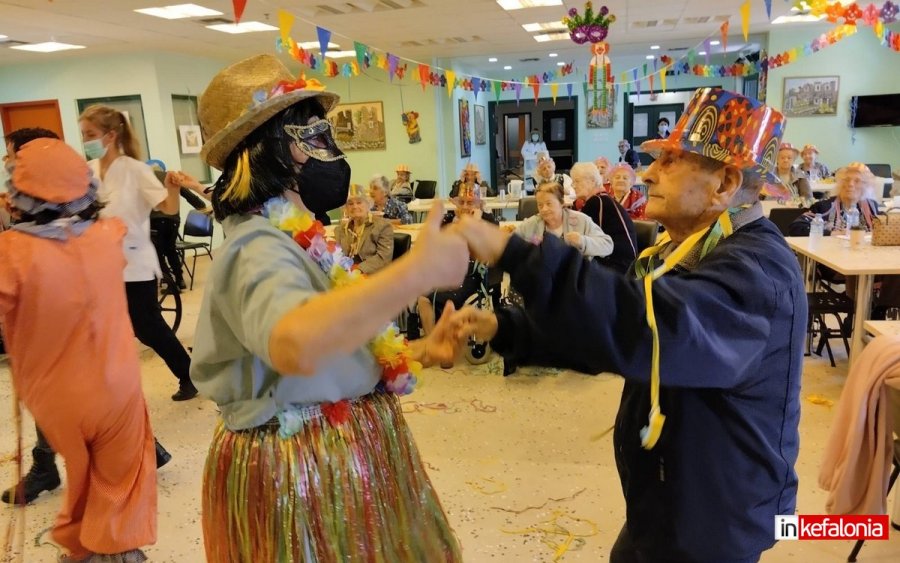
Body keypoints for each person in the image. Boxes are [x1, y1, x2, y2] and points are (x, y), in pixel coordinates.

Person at [450, 88, 803, 562]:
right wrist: (509, 330)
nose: (648, 172)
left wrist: (511, 250)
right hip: (667, 502)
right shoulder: (694, 251)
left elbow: (648, 328)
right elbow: (616, 337)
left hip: (713, 519)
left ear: (724, 184)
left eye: (673, 160)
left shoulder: (758, 271)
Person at [190, 54, 466, 562]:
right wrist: (416, 273)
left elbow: (337, 342)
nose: (331, 151)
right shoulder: (258, 248)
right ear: (267, 151)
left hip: (345, 443)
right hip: (303, 463)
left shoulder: (306, 236)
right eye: (311, 135)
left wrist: (420, 349)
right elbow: (296, 344)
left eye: (327, 132)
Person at [0, 138, 157, 562]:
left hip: (55, 400)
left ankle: (83, 550)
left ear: (18, 194)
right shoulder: (109, 236)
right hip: (118, 388)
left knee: (81, 474)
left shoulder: (10, 253)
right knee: (117, 481)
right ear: (84, 186)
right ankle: (115, 551)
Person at [79, 104, 198, 401]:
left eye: (90, 134)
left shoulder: (136, 170)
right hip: (98, 263)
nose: (85, 141)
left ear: (111, 135)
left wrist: (172, 188)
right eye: (83, 135)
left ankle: (189, 374)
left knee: (147, 327)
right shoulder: (88, 172)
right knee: (102, 328)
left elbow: (168, 209)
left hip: (134, 262)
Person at [417, 183, 499, 341]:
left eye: (470, 202)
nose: (465, 206)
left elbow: (492, 246)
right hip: (445, 272)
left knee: (449, 300)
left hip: (471, 275)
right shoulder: (448, 220)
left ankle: (447, 342)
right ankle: (433, 342)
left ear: (479, 204)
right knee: (422, 298)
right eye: (461, 202)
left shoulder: (488, 221)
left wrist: (475, 221)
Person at [149, 168, 210, 292]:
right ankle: (179, 280)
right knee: (171, 250)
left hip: (155, 221)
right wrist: (202, 207)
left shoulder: (146, 178)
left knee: (157, 254)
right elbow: (189, 196)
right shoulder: (170, 177)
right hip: (173, 221)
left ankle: (170, 283)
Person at [515, 181, 613, 259]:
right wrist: (529, 249)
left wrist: (582, 241)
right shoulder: (532, 224)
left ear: (562, 203)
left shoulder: (581, 220)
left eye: (549, 204)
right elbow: (510, 247)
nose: (544, 209)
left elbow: (607, 245)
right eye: (540, 205)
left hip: (574, 278)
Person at [570, 162, 637, 273]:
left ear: (592, 181)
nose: (573, 185)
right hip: (620, 262)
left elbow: (583, 240)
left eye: (577, 181)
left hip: (617, 267)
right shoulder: (602, 199)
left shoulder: (596, 202)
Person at [788, 162, 881, 236]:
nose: (850, 184)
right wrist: (831, 233)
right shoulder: (824, 206)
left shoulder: (871, 206)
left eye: (857, 181)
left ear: (866, 186)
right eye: (847, 180)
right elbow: (796, 227)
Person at [334, 183, 394, 274]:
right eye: (350, 204)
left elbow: (383, 258)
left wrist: (359, 270)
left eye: (359, 202)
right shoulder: (340, 230)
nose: (355, 207)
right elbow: (337, 255)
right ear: (345, 208)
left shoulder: (382, 226)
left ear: (368, 205)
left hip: (371, 277)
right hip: (346, 275)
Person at [520, 128, 547, 193]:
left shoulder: (542, 143)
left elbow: (545, 154)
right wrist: (532, 155)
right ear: (531, 136)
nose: (535, 136)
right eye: (534, 135)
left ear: (539, 136)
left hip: (539, 165)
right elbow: (523, 151)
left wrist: (537, 155)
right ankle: (529, 191)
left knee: (539, 180)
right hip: (529, 165)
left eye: (536, 135)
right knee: (529, 179)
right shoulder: (527, 143)